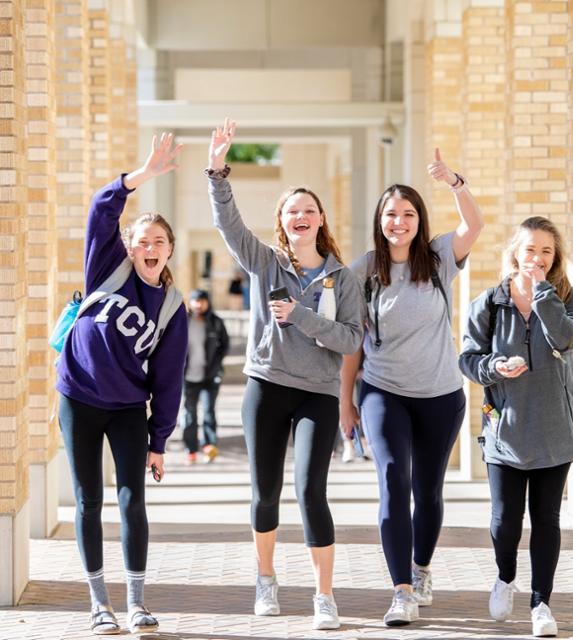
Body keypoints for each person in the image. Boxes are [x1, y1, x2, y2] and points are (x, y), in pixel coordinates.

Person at [206, 118, 363, 630]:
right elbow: (229, 224)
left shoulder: (341, 276)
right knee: (265, 491)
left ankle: (324, 595)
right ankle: (266, 580)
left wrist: (302, 316)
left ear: (321, 219)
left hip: (316, 393)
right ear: (282, 219)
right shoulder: (264, 263)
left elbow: (350, 340)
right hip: (267, 387)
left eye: (309, 210)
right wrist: (217, 170)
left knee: (311, 491)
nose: (301, 216)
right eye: (292, 210)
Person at [340, 150, 484, 626]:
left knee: (428, 489)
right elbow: (353, 342)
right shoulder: (363, 271)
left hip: (441, 395)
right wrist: (346, 401)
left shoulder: (439, 257)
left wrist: (454, 183)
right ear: (379, 221)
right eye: (390, 214)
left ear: (419, 220)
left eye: (407, 214)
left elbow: (474, 227)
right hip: (383, 392)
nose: (398, 221)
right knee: (392, 479)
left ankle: (422, 569)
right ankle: (400, 587)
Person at [56, 133, 188, 636]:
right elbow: (100, 207)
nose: (150, 248)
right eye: (142, 241)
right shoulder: (105, 268)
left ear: (170, 249)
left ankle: (136, 602)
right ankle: (98, 603)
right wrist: (144, 175)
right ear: (128, 247)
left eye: (159, 242)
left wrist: (159, 442)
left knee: (133, 500)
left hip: (130, 408)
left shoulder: (172, 307)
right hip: (80, 399)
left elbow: (168, 378)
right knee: (89, 500)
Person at [458, 216, 573, 638]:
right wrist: (495, 367)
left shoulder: (569, 298)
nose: (537, 257)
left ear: (555, 259)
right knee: (505, 521)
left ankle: (541, 603)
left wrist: (544, 296)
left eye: (546, 251)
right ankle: (504, 576)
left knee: (546, 519)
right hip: (506, 430)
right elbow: (468, 359)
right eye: (530, 249)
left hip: (554, 426)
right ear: (515, 252)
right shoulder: (489, 303)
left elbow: (565, 340)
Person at [182, 289, 230, 464]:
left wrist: (216, 367)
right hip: (187, 377)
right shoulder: (182, 321)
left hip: (210, 377)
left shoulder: (215, 322)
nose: (198, 304)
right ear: (190, 302)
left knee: (209, 411)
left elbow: (224, 345)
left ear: (207, 302)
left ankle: (209, 445)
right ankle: (191, 449)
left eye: (202, 301)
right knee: (189, 414)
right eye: (195, 301)